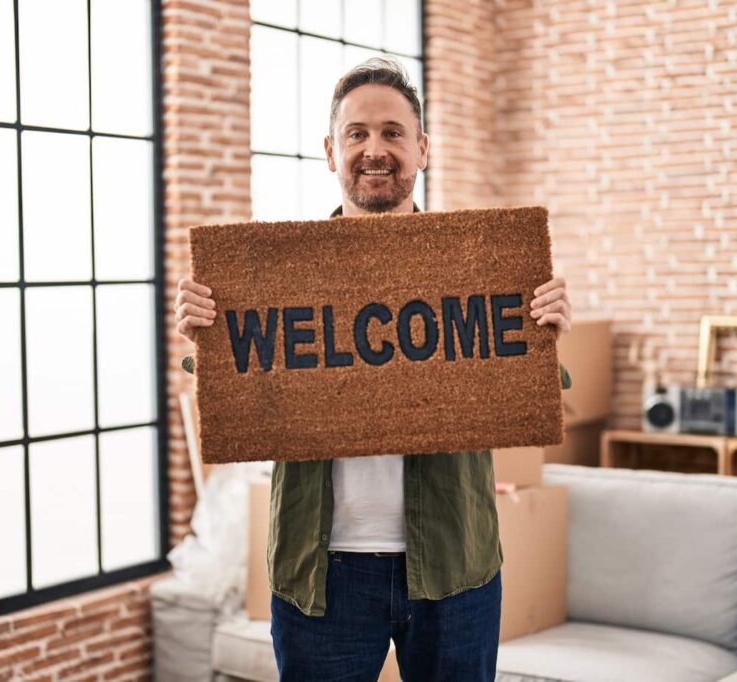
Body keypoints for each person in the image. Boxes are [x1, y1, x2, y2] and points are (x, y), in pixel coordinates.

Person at [175, 58, 572, 682]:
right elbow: (242, 391)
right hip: (320, 569)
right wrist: (208, 336)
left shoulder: (474, 265)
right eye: (357, 134)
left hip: (454, 562)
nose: (375, 149)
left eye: (392, 132)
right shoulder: (281, 276)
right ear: (331, 152)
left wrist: (545, 332)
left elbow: (526, 389)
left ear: (422, 149)